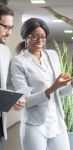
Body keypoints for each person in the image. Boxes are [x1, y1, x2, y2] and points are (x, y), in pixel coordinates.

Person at [10, 17, 73, 150]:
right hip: (34, 126)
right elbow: (25, 100)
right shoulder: (18, 62)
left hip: (57, 122)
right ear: (25, 37)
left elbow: (59, 92)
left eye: (43, 37)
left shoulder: (53, 55)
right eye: (34, 36)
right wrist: (52, 88)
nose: (40, 41)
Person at [0, 3, 26, 149]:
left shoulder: (5, 51)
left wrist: (14, 100)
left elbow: (8, 84)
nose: (9, 33)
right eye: (6, 27)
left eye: (11, 28)